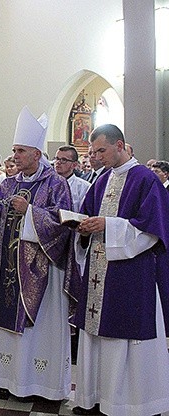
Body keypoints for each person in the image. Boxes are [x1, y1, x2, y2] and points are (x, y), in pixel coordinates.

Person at [0, 107, 76, 401]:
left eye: (21, 151)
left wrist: (30, 212)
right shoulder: (10, 183)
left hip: (42, 272)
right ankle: (6, 379)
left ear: (37, 154)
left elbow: (64, 223)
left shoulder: (56, 184)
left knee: (39, 330)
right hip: (7, 270)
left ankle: (40, 385)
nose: (14, 156)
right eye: (14, 150)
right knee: (7, 328)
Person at [72, 124, 169, 416]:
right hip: (98, 271)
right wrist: (84, 229)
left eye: (102, 150)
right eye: (94, 151)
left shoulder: (145, 180)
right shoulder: (101, 181)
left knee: (125, 339)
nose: (97, 157)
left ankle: (132, 404)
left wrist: (108, 225)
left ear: (120, 145)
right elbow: (87, 216)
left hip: (132, 272)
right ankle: (94, 398)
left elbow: (152, 231)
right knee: (95, 336)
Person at [54, 145, 91, 212]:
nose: (58, 162)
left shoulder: (83, 187)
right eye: (57, 158)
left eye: (63, 160)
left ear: (74, 165)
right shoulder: (47, 184)